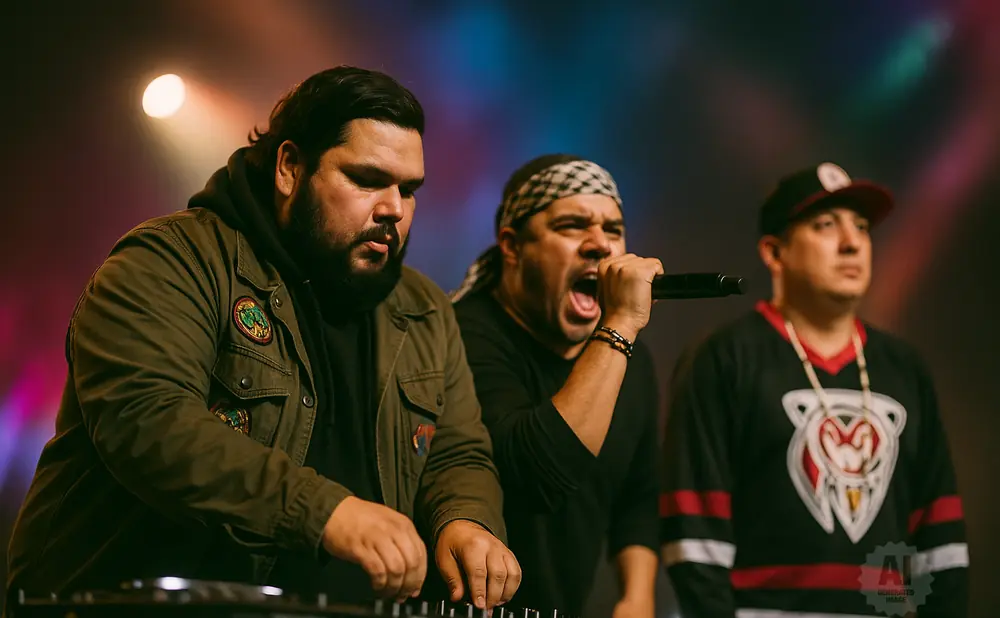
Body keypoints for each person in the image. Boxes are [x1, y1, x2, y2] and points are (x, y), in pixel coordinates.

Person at [6, 66, 520, 612]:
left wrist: (466, 518)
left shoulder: (424, 309)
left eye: (408, 189)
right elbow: (147, 419)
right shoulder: (173, 260)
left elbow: (457, 451)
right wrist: (325, 512)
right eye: (368, 179)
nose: (394, 208)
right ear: (289, 167)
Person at [659, 162, 969, 617]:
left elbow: (938, 531)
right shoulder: (725, 358)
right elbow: (694, 532)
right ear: (774, 252)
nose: (852, 243)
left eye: (861, 228)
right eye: (825, 225)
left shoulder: (903, 368)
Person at [450, 154, 661, 618]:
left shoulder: (629, 359)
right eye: (572, 226)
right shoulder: (462, 336)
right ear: (512, 245)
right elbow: (537, 474)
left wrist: (637, 595)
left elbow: (638, 497)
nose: (599, 246)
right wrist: (621, 323)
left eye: (613, 229)